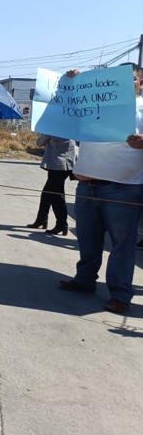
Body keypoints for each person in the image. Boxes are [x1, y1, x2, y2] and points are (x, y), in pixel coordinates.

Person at [59, 64, 143, 315]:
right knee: (87, 238)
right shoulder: (95, 101)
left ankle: (120, 294)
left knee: (122, 245)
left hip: (124, 188)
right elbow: (64, 111)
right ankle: (84, 281)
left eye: (131, 80)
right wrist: (69, 82)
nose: (125, 85)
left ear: (140, 83)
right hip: (87, 184)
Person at [26, 135, 76, 235]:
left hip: (58, 165)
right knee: (47, 193)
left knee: (56, 196)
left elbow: (39, 142)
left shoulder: (54, 129)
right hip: (64, 164)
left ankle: (61, 224)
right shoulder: (70, 128)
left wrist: (46, 132)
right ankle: (42, 220)